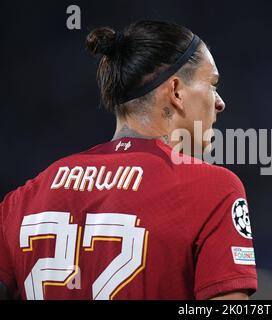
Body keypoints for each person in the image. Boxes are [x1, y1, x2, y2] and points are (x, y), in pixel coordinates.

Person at [0, 20, 257, 300]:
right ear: (176, 91)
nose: (220, 102)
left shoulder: (25, 198)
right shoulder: (214, 190)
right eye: (212, 84)